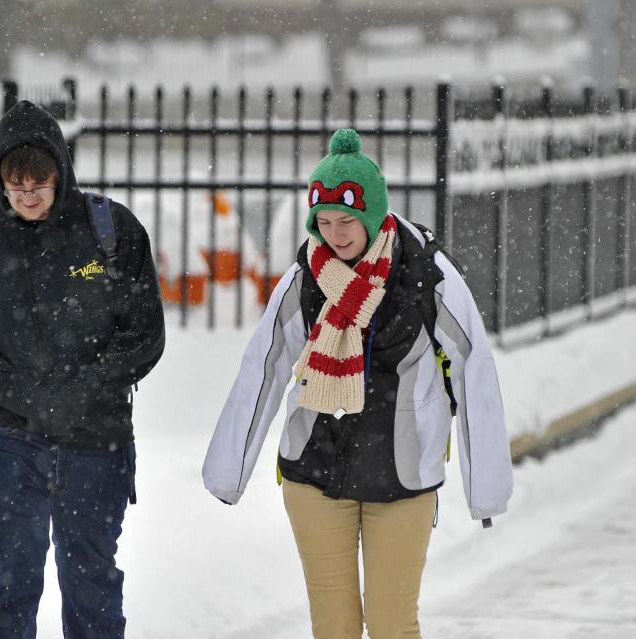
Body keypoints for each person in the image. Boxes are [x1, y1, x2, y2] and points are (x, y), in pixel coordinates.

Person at [203, 129, 513, 638]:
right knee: (335, 627)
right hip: (316, 471)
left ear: (374, 215)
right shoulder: (306, 278)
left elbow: (472, 367)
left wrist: (487, 486)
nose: (335, 234)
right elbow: (264, 366)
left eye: (347, 220)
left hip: (404, 475)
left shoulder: (425, 275)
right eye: (323, 222)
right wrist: (227, 472)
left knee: (392, 624)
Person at [0, 100, 165, 639]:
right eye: (16, 186)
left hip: (97, 441)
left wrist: (81, 389)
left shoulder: (110, 231)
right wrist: (28, 396)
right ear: (0, 182)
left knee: (91, 591)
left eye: (38, 181)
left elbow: (145, 336)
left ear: (60, 170)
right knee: (6, 588)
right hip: (10, 443)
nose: (29, 195)